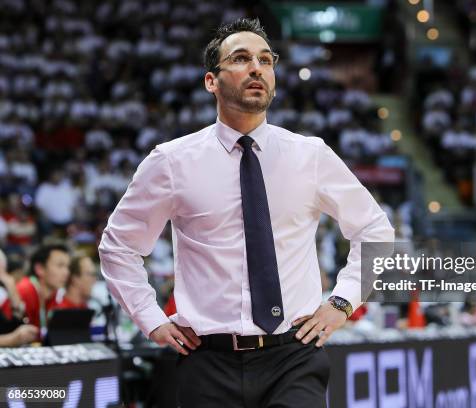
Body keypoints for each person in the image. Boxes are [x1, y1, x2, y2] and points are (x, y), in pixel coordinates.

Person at [99, 18, 394, 407]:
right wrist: (150, 320)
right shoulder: (171, 161)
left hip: (294, 354)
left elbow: (375, 229)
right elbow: (118, 247)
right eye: (240, 58)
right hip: (206, 358)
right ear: (211, 81)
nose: (257, 68)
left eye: (265, 60)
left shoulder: (311, 155)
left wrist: (341, 303)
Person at [16, 243, 70, 329]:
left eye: (67, 267)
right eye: (60, 266)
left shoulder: (54, 293)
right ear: (39, 269)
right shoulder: (24, 290)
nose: (66, 272)